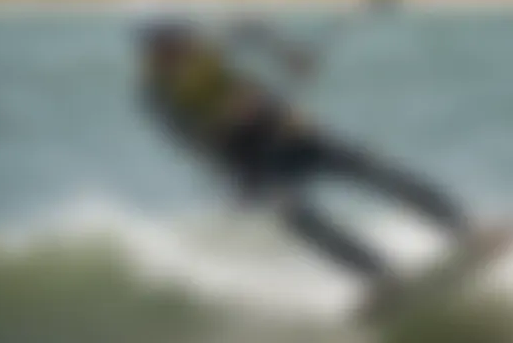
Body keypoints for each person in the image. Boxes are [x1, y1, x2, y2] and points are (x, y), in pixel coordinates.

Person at [138, 18, 470, 312]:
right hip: (246, 162)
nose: (179, 51)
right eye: (168, 49)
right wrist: (227, 120)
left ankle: (459, 228)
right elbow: (194, 141)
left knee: (369, 170)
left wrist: (290, 54)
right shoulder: (157, 94)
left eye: (180, 43)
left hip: (284, 133)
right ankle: (381, 276)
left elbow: (248, 26)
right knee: (298, 217)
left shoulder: (204, 53)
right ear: (155, 54)